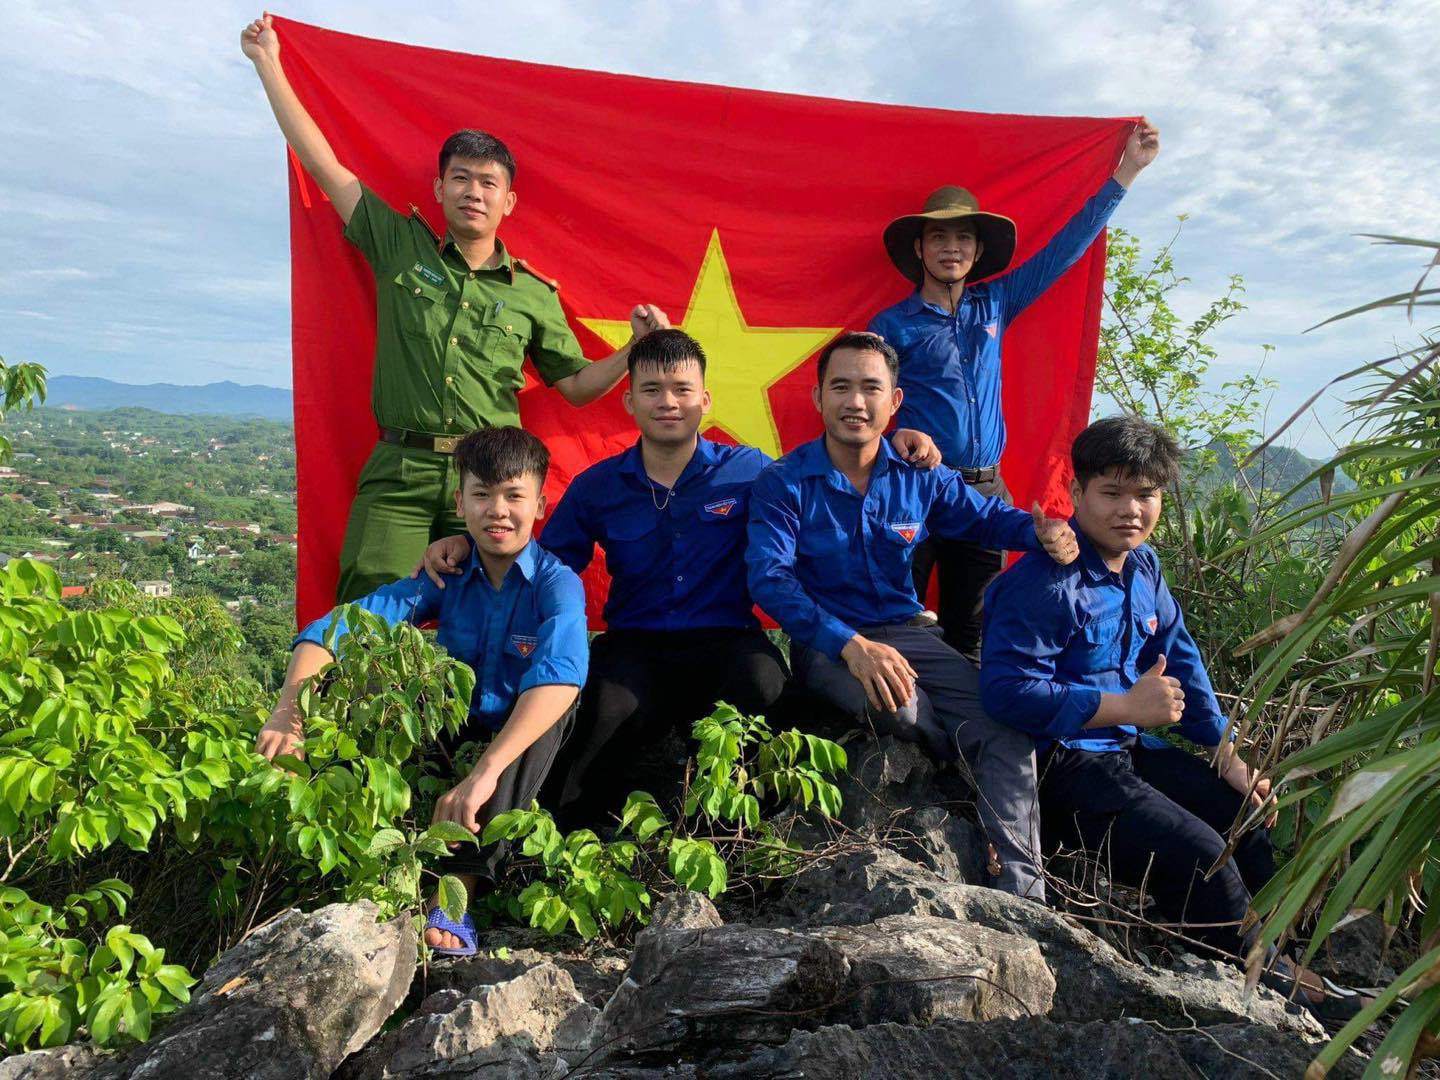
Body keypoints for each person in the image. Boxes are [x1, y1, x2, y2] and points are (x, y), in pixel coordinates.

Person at [418, 329, 943, 828]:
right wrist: (471, 540)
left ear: (704, 400)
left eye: (682, 390)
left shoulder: (752, 471)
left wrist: (899, 439)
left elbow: (827, 475)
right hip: (636, 646)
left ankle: (733, 834)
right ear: (629, 403)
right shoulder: (599, 485)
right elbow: (542, 561)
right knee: (603, 707)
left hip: (726, 640)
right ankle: (576, 835)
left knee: (765, 685)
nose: (668, 401)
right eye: (651, 389)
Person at [241, 15, 668, 602]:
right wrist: (268, 63)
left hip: (491, 480)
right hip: (400, 474)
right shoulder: (399, 245)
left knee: (491, 625)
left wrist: (635, 350)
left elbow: (574, 386)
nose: (474, 191)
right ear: (439, 189)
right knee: (370, 622)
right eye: (461, 178)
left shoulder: (533, 294)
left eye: (488, 183)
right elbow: (323, 165)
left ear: (508, 201)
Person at [979, 416, 1366, 1017]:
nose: (1130, 509)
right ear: (1077, 494)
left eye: (1146, 494)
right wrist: (1125, 707)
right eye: (1112, 493)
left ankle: (1286, 955)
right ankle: (1271, 986)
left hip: (1128, 754)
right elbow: (1004, 690)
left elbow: (1179, 660)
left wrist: (1229, 757)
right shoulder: (1042, 583)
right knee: (1198, 850)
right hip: (1065, 770)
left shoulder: (1143, 567)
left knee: (1243, 813)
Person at [746, 331, 1079, 900]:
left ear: (894, 402)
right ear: (818, 399)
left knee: (1002, 720)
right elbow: (769, 580)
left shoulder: (918, 474)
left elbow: (986, 520)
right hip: (829, 644)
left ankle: (1025, 896)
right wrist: (849, 644)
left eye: (871, 388)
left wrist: (1044, 531)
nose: (856, 401)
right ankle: (964, 773)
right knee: (899, 707)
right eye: (841, 387)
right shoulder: (785, 482)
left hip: (909, 634)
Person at [255, 427, 586, 956]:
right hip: (451, 726)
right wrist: (286, 714)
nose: (497, 511)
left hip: (517, 740)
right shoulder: (446, 573)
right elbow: (337, 629)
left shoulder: (556, 582)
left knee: (549, 714)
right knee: (362, 673)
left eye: (513, 496)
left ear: (540, 504)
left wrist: (484, 772)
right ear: (459, 502)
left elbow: (561, 675)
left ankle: (455, 898)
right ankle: (343, 839)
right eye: (481, 495)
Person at [869, 119, 1161, 661]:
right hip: (916, 487)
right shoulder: (892, 324)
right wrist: (899, 430)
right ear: (920, 248)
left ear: (978, 250)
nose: (951, 248)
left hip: (986, 492)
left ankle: (967, 741)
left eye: (963, 237)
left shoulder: (994, 304)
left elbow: (1065, 250)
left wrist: (1126, 173)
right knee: (898, 620)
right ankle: (891, 737)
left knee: (972, 627)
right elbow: (862, 407)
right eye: (939, 236)